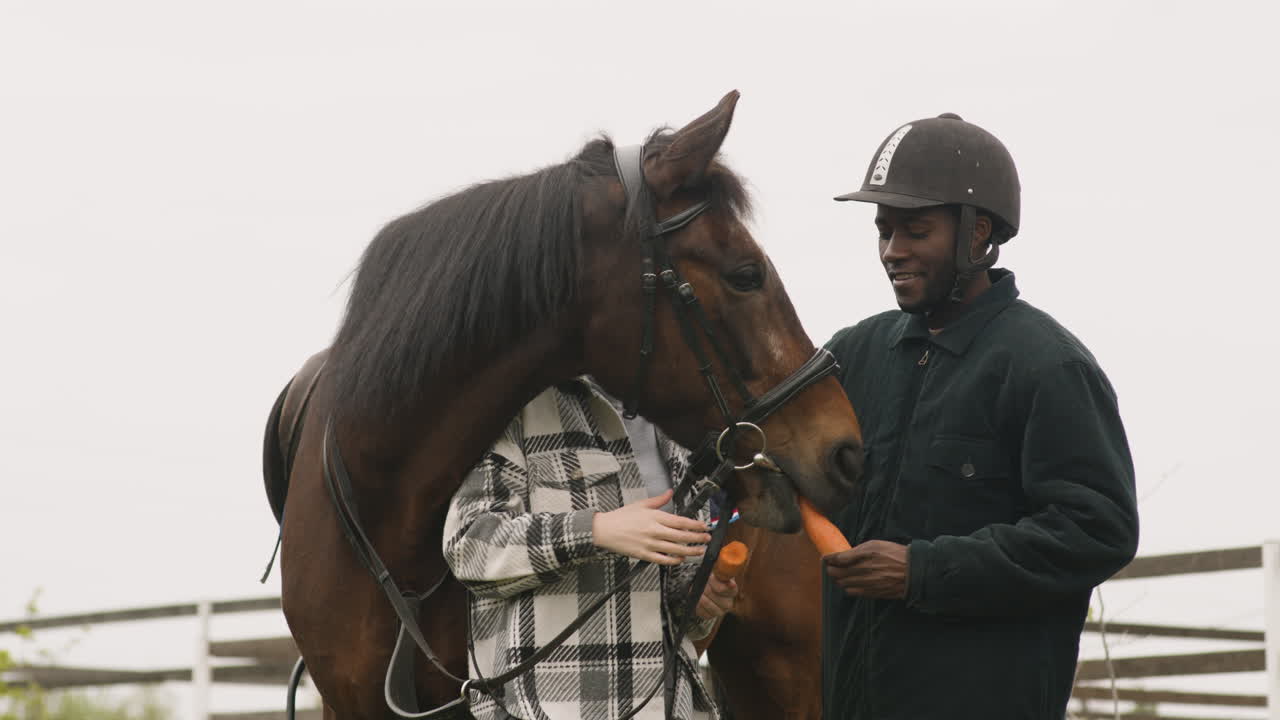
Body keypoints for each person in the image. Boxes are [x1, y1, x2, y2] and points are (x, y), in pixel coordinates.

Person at [821, 113, 1140, 718]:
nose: (893, 251)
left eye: (915, 231)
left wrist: (923, 570)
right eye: (883, 230)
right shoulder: (851, 354)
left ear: (978, 235)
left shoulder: (1048, 365)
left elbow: (1099, 531)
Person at [443, 376, 738, 720]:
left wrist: (698, 598)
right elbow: (469, 547)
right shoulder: (522, 402)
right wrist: (596, 531)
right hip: (547, 710)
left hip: (674, 705)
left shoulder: (676, 425)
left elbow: (674, 602)